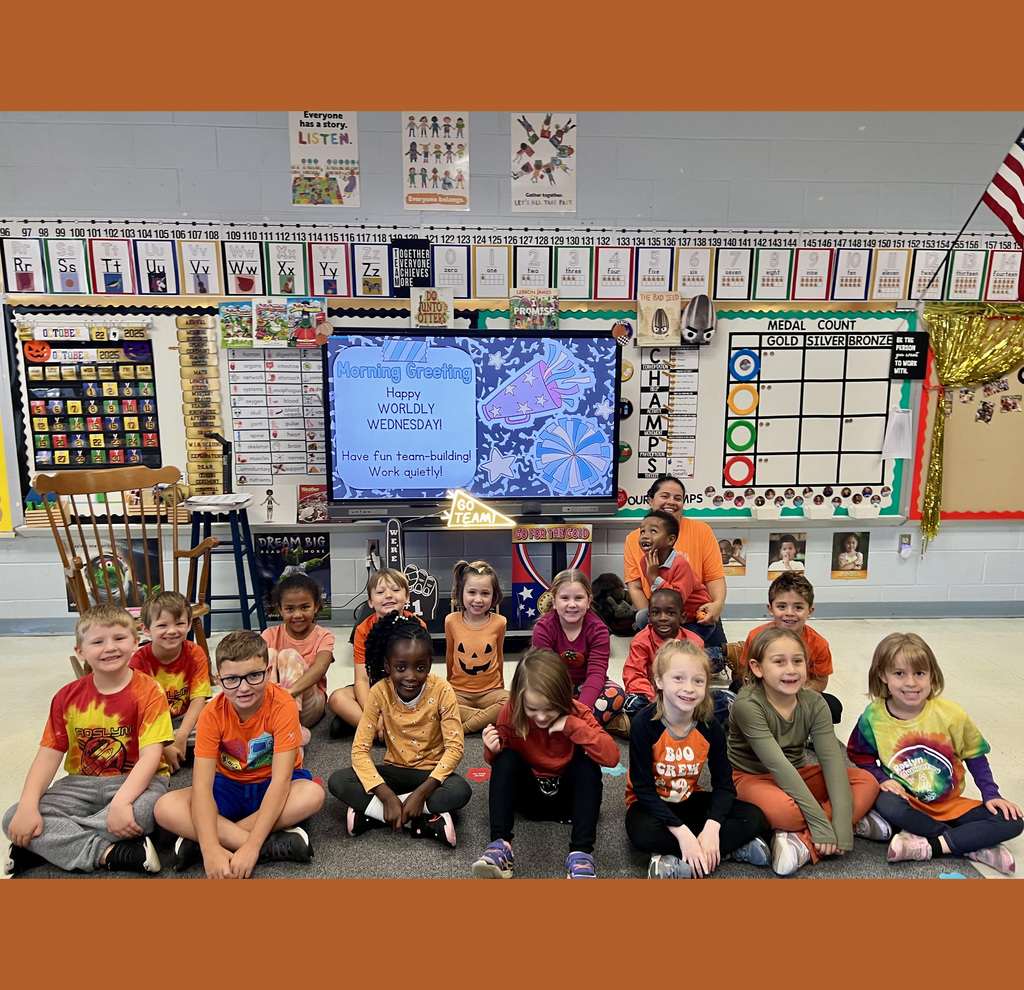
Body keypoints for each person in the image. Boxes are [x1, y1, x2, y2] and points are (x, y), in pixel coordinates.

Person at [4, 604, 172, 876]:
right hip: (80, 782)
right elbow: (49, 755)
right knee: (13, 817)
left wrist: (122, 802)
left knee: (145, 813)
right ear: (80, 652)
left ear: (136, 642)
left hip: (137, 781)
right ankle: (112, 853)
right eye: (98, 641)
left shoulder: (150, 691)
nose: (110, 648)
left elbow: (152, 756)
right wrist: (27, 804)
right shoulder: (65, 696)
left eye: (119, 638)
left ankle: (46, 844)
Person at [847, 633, 1022, 874]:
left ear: (932, 675)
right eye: (899, 673)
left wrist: (991, 794)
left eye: (919, 673)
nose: (911, 683)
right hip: (907, 803)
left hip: (951, 805)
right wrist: (883, 779)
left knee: (1012, 820)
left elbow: (975, 755)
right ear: (882, 676)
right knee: (887, 805)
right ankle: (970, 845)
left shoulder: (951, 714)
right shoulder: (873, 717)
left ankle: (932, 844)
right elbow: (859, 755)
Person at [154, 630, 323, 877]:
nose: (243, 688)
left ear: (267, 672)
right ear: (218, 680)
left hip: (271, 785)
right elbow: (202, 786)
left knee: (313, 795)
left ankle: (203, 839)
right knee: (164, 807)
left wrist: (245, 846)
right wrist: (211, 849)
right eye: (232, 679)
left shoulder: (283, 705)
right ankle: (268, 845)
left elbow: (281, 782)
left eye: (254, 676)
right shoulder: (211, 714)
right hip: (228, 786)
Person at [727, 627, 880, 876]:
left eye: (798, 661)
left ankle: (802, 843)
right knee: (787, 812)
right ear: (757, 668)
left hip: (799, 774)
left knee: (867, 782)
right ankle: (841, 820)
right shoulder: (747, 704)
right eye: (779, 662)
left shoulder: (815, 702)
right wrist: (822, 824)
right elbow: (778, 766)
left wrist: (840, 828)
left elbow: (831, 760)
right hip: (750, 778)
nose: (791, 670)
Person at [626, 640, 771, 878]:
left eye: (698, 680)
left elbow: (724, 785)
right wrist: (683, 833)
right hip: (650, 805)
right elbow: (643, 790)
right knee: (642, 835)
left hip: (690, 799)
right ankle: (720, 850)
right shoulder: (644, 724)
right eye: (678, 678)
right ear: (659, 681)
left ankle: (681, 857)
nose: (689, 688)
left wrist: (713, 827)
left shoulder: (709, 726)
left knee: (754, 816)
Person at [472, 648, 619, 879]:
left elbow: (612, 758)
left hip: (569, 804)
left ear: (563, 698)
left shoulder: (578, 713)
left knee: (588, 765)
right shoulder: (511, 712)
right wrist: (492, 750)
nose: (541, 717)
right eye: (532, 709)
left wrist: (573, 726)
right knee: (506, 759)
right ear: (520, 699)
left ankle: (581, 855)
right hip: (528, 801)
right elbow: (502, 768)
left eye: (550, 709)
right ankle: (500, 847)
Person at [328, 613, 471, 846]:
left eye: (420, 667)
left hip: (431, 775)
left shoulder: (442, 689)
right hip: (394, 772)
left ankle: (374, 815)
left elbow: (455, 748)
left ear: (429, 664)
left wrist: (422, 793)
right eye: (401, 667)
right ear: (387, 665)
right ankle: (422, 820)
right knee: (339, 781)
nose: (411, 676)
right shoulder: (379, 692)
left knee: (460, 790)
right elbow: (359, 751)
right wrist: (386, 795)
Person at [623, 475, 727, 649]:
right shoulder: (635, 539)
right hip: (661, 611)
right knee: (658, 650)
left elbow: (714, 577)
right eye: (664, 496)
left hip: (696, 612)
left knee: (708, 661)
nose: (671, 502)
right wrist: (654, 616)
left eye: (677, 498)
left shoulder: (702, 531)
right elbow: (635, 586)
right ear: (650, 500)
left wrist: (717, 606)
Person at [327, 568, 425, 737]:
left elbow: (419, 675)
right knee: (337, 698)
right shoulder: (363, 630)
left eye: (395, 590)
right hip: (374, 687)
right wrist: (373, 715)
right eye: (380, 592)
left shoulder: (418, 626)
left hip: (406, 687)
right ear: (371, 601)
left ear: (407, 597)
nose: (388, 595)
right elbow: (362, 680)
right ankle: (382, 729)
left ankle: (362, 726)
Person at [531, 569, 629, 737]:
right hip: (554, 687)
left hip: (585, 685)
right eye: (564, 598)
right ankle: (592, 725)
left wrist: (583, 707)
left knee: (617, 694)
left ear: (589, 600)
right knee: (525, 699)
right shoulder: (543, 628)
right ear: (554, 601)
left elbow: (596, 673)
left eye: (578, 598)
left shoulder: (598, 629)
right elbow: (544, 675)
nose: (572, 604)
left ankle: (570, 725)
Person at [737, 572, 843, 724]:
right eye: (781, 606)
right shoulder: (756, 637)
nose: (789, 613)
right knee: (737, 688)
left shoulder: (819, 644)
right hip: (763, 692)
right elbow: (745, 673)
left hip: (799, 693)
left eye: (798, 607)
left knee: (833, 706)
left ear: (810, 611)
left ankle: (803, 727)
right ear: (770, 609)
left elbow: (820, 682)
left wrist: (791, 690)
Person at [129, 591, 211, 774]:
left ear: (189, 624)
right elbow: (139, 713)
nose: (172, 630)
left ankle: (174, 749)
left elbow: (199, 699)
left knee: (221, 719)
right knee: (128, 735)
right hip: (154, 721)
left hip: (186, 719)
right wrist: (165, 744)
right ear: (146, 629)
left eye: (180, 623)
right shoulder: (138, 662)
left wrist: (180, 738)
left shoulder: (195, 653)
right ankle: (165, 751)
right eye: (162, 625)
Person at [262, 573, 334, 735]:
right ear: (280, 609)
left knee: (289, 655)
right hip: (272, 704)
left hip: (309, 706)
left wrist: (288, 694)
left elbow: (321, 667)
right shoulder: (270, 634)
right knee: (268, 654)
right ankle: (272, 722)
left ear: (316, 606)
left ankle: (287, 729)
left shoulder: (323, 636)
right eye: (289, 609)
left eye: (304, 607)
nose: (297, 615)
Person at [445, 559, 509, 733]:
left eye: (485, 593)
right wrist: (449, 685)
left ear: (494, 595)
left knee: (512, 703)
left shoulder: (500, 622)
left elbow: (499, 656)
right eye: (472, 592)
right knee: (437, 705)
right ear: (461, 592)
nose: (478, 599)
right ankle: (488, 718)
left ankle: (465, 728)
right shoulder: (451, 621)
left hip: (490, 691)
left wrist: (501, 685)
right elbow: (450, 655)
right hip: (460, 692)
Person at [622, 588, 703, 718]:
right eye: (656, 613)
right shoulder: (641, 641)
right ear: (648, 617)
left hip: (685, 695)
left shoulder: (694, 642)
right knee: (632, 704)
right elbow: (633, 676)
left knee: (725, 700)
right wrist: (658, 699)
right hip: (653, 697)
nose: (663, 618)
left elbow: (699, 679)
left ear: (682, 618)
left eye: (670, 613)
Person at [632, 509, 707, 631]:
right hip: (670, 617)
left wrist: (654, 577)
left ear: (670, 540)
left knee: (680, 649)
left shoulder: (680, 564)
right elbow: (657, 596)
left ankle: (717, 651)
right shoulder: (645, 562)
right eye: (642, 531)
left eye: (653, 531)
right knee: (642, 616)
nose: (645, 535)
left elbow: (677, 601)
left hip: (694, 619)